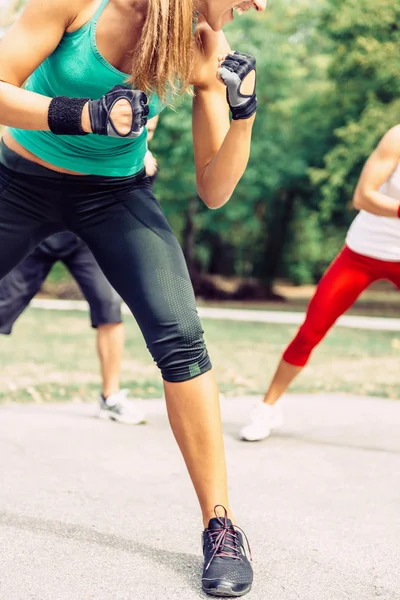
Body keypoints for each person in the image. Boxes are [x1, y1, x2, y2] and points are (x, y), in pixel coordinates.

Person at [0, 0, 265, 596]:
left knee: (182, 337)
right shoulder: (77, 5)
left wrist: (243, 115)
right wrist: (83, 114)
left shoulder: (203, 47)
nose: (259, 5)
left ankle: (221, 528)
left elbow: (214, 187)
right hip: (20, 182)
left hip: (113, 197)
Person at [240, 125, 400, 442]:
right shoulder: (398, 136)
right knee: (311, 330)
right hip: (363, 252)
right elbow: (362, 197)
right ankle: (267, 408)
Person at [0, 115, 160, 425]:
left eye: (150, 131)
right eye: (143, 128)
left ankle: (110, 397)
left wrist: (140, 171)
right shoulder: (88, 129)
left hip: (85, 242)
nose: (145, 135)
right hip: (38, 234)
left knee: (109, 308)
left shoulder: (139, 163)